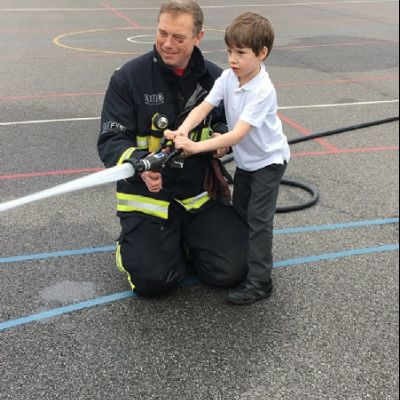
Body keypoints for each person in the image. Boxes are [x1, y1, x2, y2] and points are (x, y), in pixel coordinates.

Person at [98, 0, 249, 299]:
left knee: (234, 270)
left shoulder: (215, 79)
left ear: (198, 37)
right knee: (153, 282)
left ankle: (183, 238)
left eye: (178, 37)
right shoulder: (128, 78)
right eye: (162, 33)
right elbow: (111, 140)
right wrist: (140, 165)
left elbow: (225, 125)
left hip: (198, 194)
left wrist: (220, 141)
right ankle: (132, 244)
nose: (167, 44)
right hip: (147, 196)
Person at [166, 12, 291, 305]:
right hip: (248, 163)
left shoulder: (262, 91)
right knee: (241, 214)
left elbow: (236, 136)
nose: (233, 59)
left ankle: (261, 281)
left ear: (262, 53)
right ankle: (245, 262)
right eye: (229, 51)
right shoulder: (227, 77)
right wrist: (181, 130)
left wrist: (196, 147)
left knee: (259, 221)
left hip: (268, 163)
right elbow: (203, 107)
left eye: (241, 53)